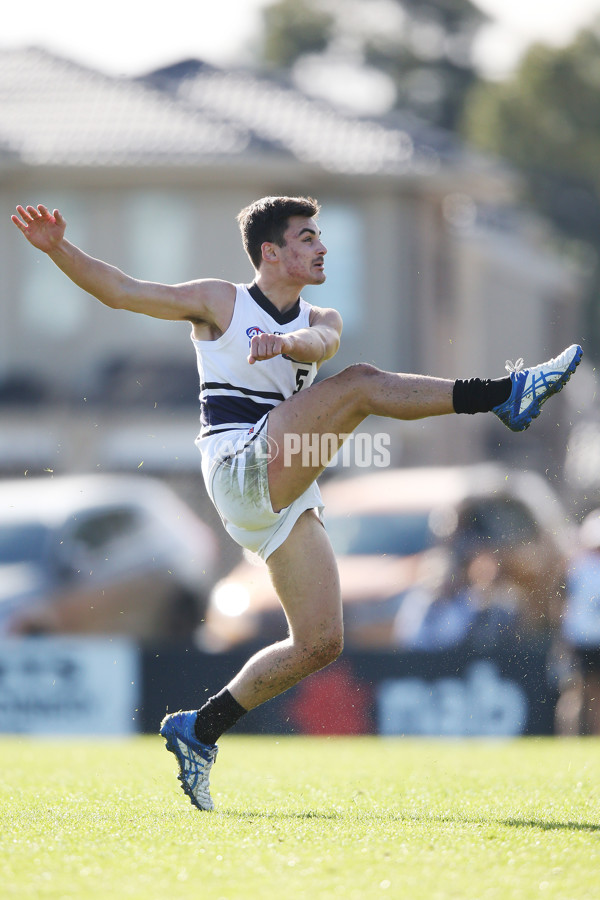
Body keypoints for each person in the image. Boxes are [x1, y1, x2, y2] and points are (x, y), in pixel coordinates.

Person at [12, 197, 582, 811]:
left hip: (284, 484)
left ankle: (199, 729)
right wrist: (57, 250)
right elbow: (123, 291)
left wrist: (286, 343)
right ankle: (505, 394)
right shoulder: (219, 302)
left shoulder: (321, 315)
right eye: (307, 237)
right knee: (362, 386)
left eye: (320, 237)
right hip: (237, 465)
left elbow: (317, 344)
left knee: (319, 642)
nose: (321, 248)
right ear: (271, 252)